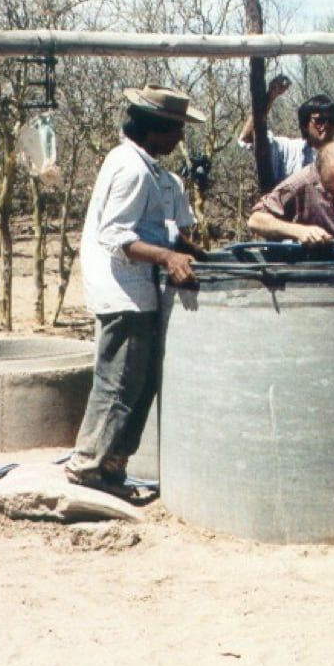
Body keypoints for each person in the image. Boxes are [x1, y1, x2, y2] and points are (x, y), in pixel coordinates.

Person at [65, 85, 204, 494]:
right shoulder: (130, 168)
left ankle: (111, 469)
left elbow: (161, 232)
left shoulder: (148, 168)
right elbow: (115, 235)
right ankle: (87, 466)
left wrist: (194, 254)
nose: (180, 139)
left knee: (137, 387)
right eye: (175, 130)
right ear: (154, 128)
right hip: (122, 292)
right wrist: (166, 259)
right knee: (118, 385)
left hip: (137, 292)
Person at [238, 77, 334, 186]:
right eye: (319, 120)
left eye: (332, 120)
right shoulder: (288, 150)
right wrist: (269, 98)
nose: (326, 125)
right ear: (305, 125)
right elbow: (247, 138)